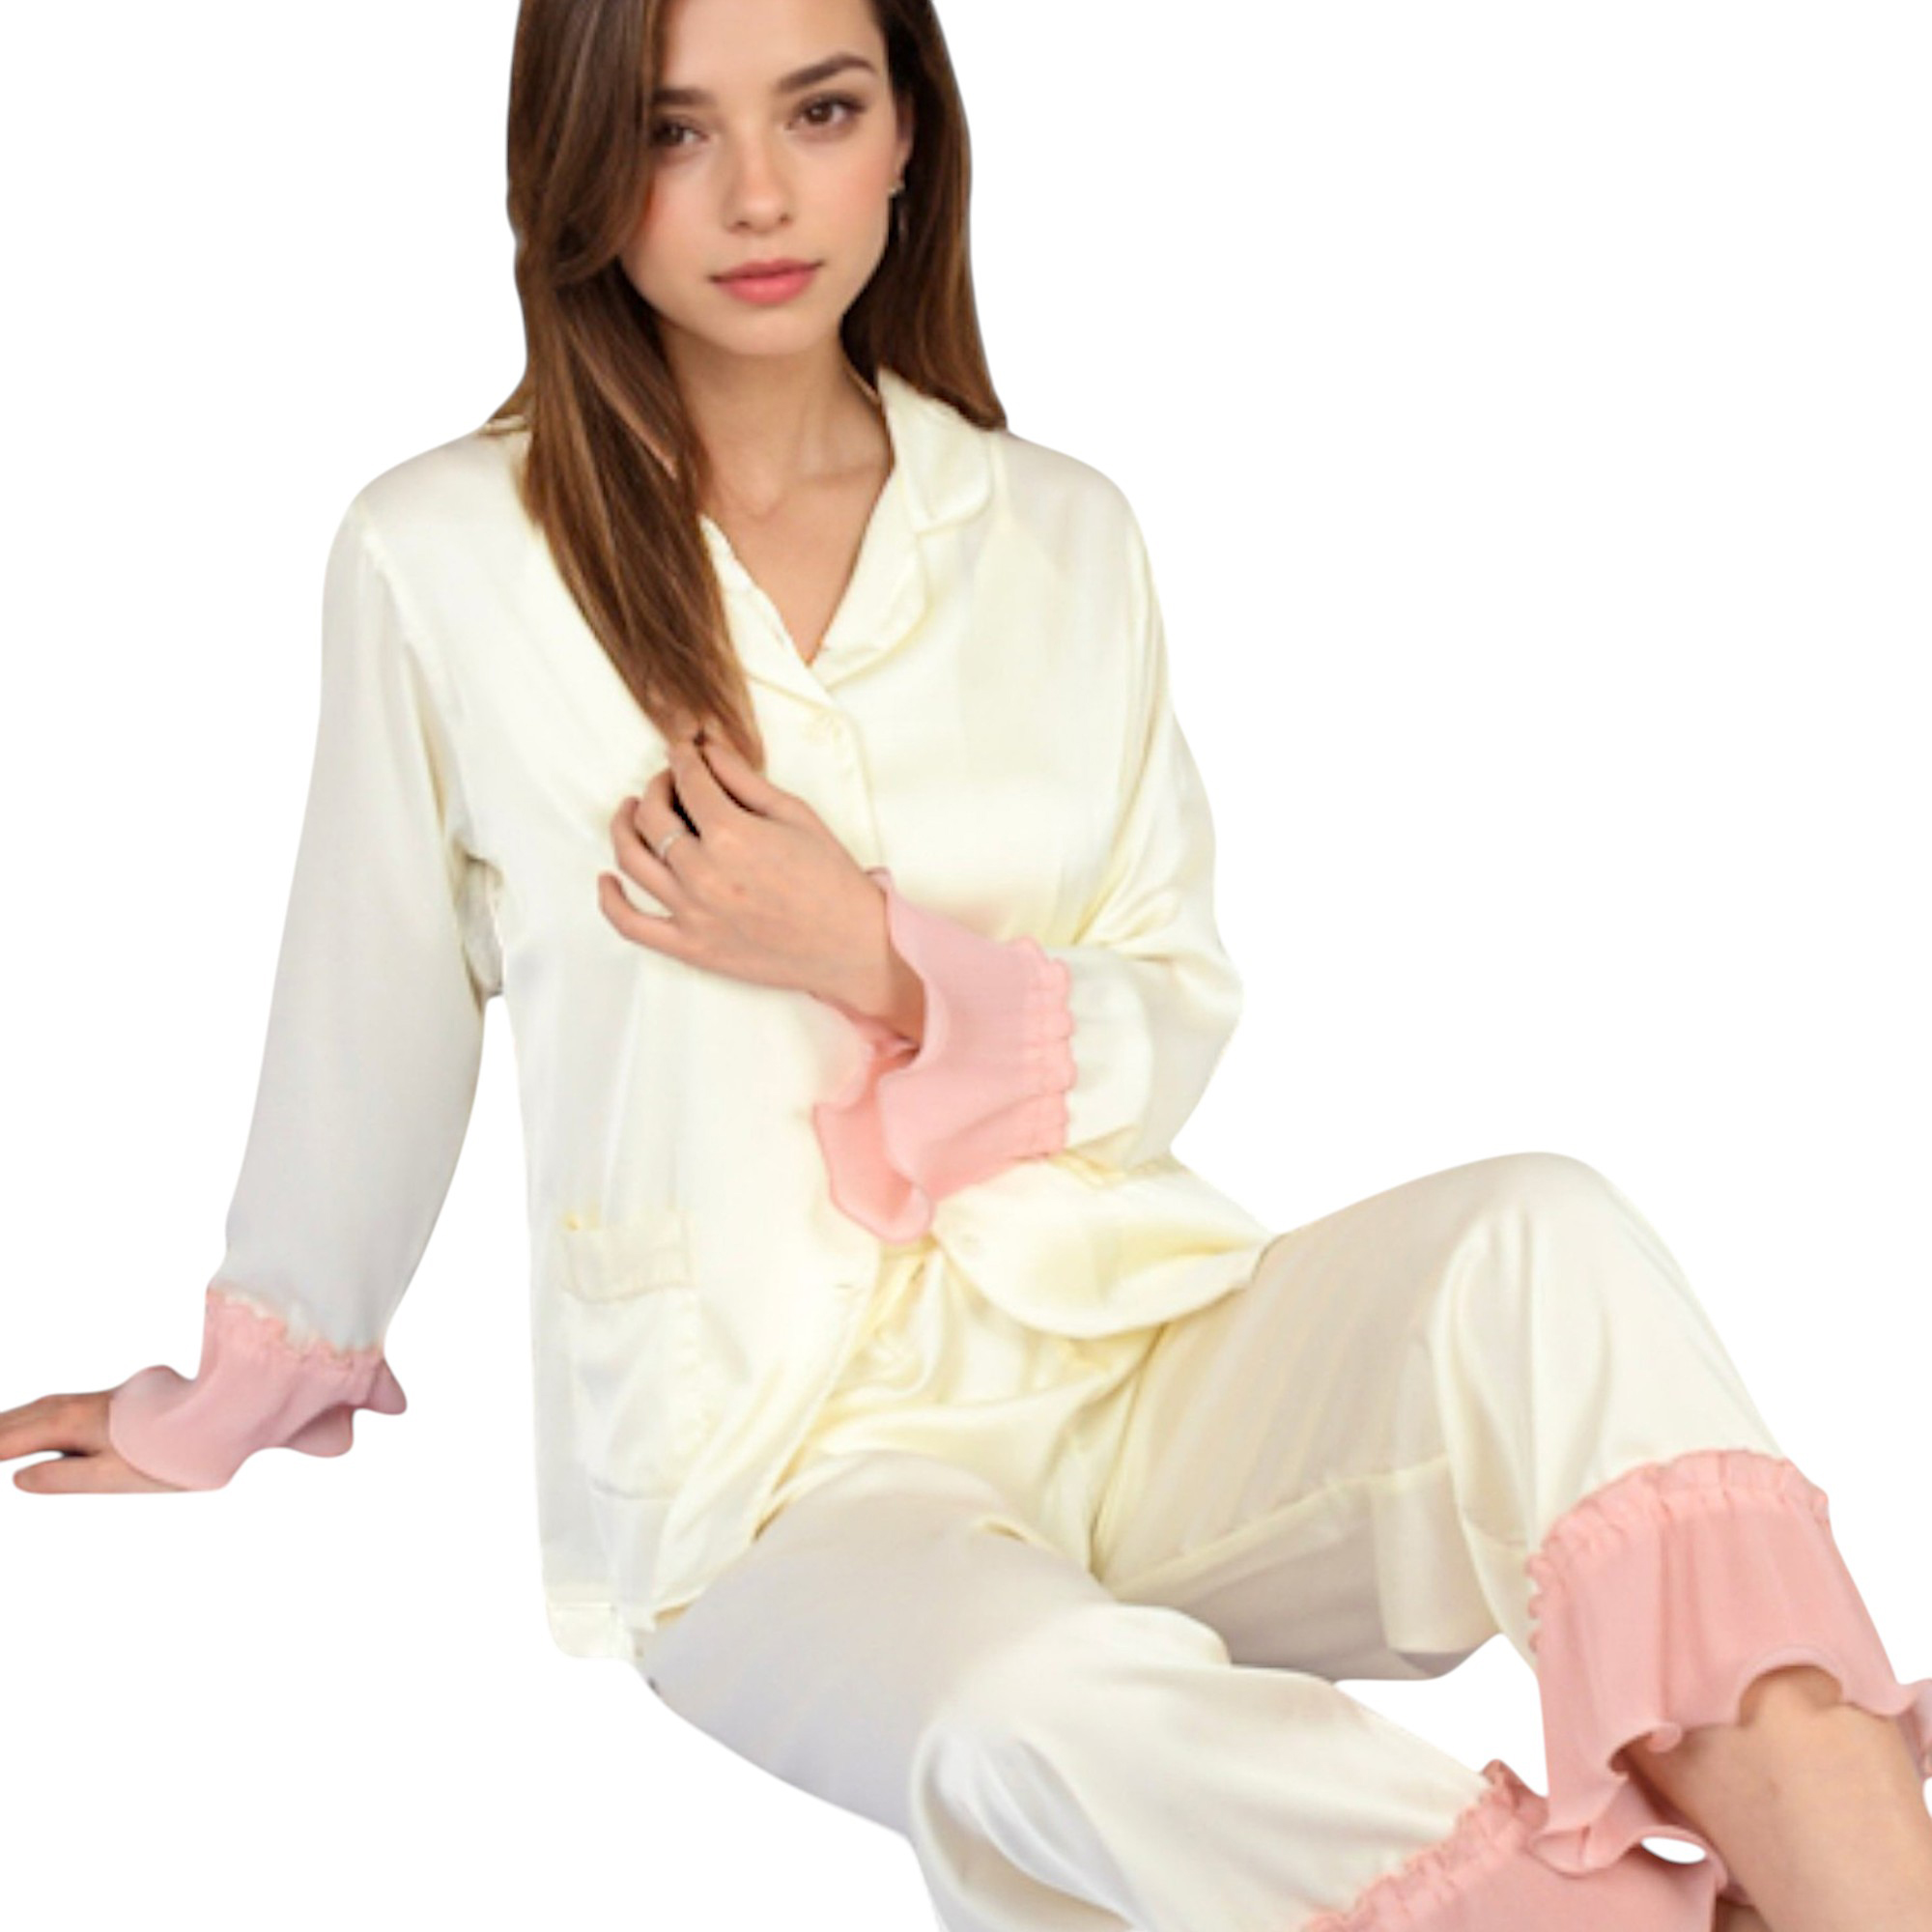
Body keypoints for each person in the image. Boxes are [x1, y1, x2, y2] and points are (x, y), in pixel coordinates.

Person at [3, 1, 1927, 1926]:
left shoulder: (1061, 535)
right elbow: (369, 1016)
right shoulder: (445, 557)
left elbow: (1171, 999)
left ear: (908, 130)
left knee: (1545, 1235)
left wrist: (878, 958)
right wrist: (225, 1397)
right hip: (772, 1475)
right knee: (1034, 1709)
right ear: (577, 164)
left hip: (1130, 1364)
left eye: (820, 110)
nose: (760, 197)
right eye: (673, 132)